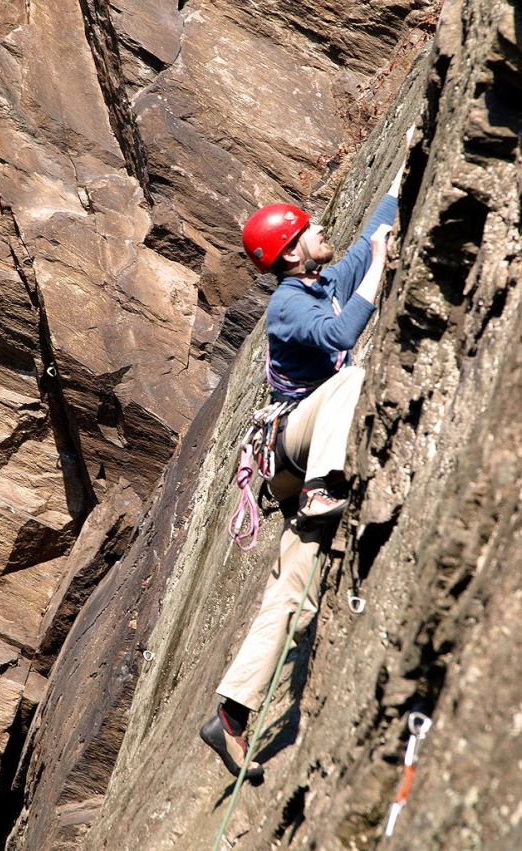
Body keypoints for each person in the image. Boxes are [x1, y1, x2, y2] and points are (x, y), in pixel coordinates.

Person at [200, 130, 413, 783]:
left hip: (306, 452)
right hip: (295, 447)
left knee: (291, 585)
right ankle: (325, 490)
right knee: (350, 377)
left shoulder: (319, 279)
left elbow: (378, 221)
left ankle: (230, 713)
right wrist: (378, 264)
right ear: (291, 253)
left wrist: (407, 158)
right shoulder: (289, 306)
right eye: (310, 230)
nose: (324, 230)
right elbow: (346, 332)